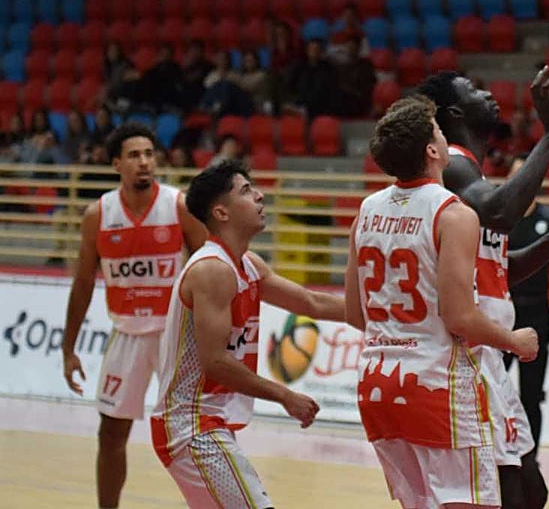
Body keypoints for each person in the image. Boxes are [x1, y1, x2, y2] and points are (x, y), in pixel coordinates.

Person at [416, 68, 549, 509]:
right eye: (474, 89)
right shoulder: (451, 163)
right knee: (508, 494)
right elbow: (502, 212)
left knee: (532, 491)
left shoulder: (473, 173)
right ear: (454, 112)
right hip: (465, 356)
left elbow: (501, 269)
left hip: (488, 355)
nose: (489, 92)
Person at [150, 159, 345, 508]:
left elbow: (312, 302)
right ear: (221, 212)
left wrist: (383, 318)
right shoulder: (213, 270)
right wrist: (285, 395)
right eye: (246, 191)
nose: (259, 196)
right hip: (190, 425)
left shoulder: (248, 264)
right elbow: (215, 362)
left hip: (208, 422)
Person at [60, 123, 208, 509]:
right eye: (134, 155)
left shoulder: (178, 205)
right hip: (126, 334)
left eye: (148, 154)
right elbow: (82, 284)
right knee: (110, 434)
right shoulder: (99, 214)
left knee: (195, 432)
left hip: (174, 336)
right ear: (116, 164)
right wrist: (68, 348)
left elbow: (213, 263)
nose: (144, 162)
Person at [502, 157, 549, 456]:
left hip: (536, 315)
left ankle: (529, 459)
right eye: (513, 176)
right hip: (501, 314)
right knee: (489, 388)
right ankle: (491, 452)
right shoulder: (498, 220)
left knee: (531, 395)